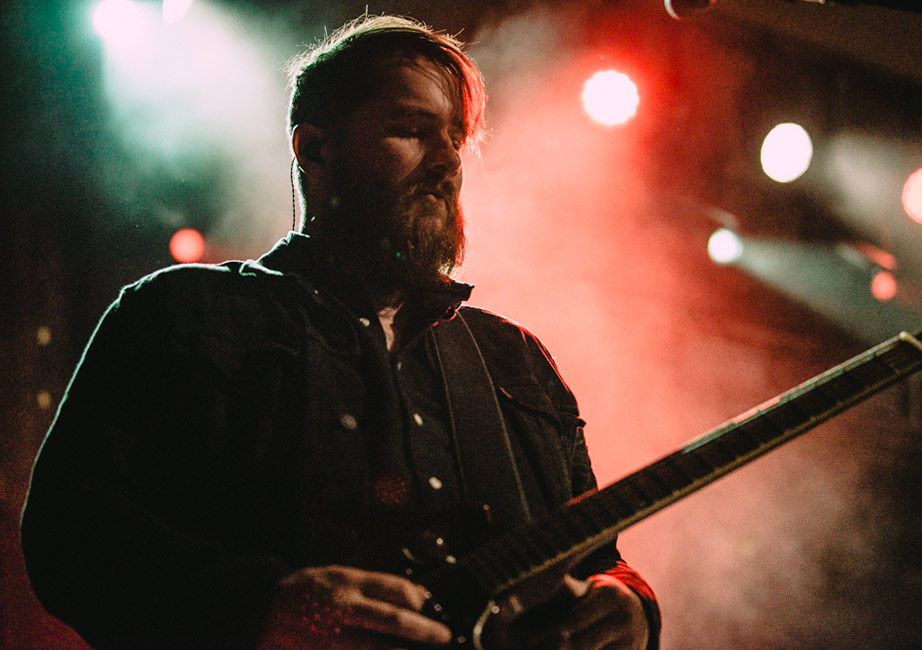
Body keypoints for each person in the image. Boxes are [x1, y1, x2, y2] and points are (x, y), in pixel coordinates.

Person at [21, 14, 661, 650]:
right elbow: (67, 533)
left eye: (456, 140)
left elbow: (596, 554)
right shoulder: (181, 313)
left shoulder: (514, 357)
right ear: (315, 150)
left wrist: (629, 604)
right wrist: (258, 607)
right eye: (412, 131)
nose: (447, 162)